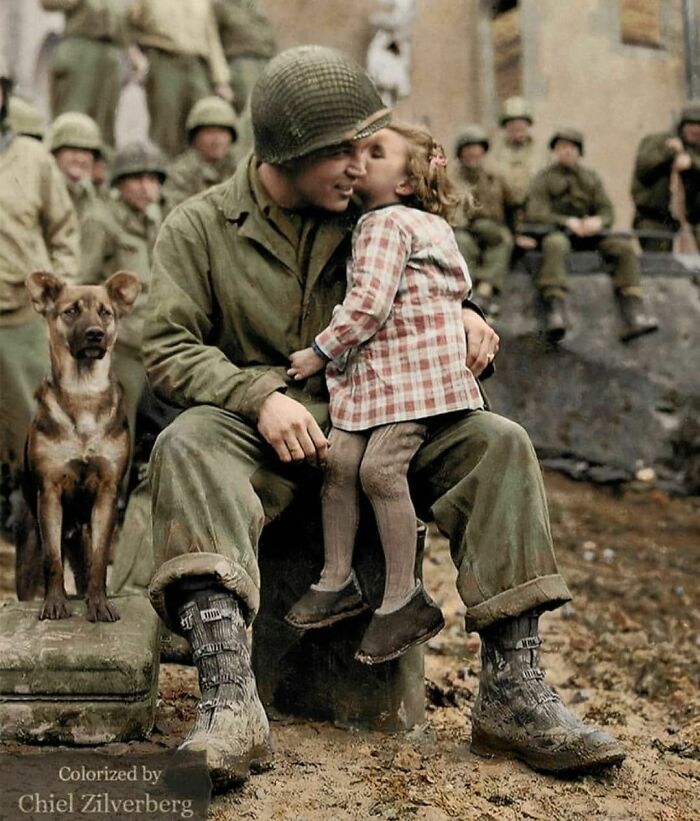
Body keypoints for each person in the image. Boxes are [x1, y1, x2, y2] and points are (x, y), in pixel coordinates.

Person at [142, 45, 624, 789]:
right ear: (288, 156)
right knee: (185, 442)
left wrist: (466, 315)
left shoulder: (373, 214)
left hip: (379, 417)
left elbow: (430, 271)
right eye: (342, 151)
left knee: (497, 443)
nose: (358, 165)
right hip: (260, 431)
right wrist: (256, 397)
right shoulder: (199, 227)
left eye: (368, 149)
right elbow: (167, 345)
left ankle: (513, 694)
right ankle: (228, 702)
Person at [283, 122, 481, 664]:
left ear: (407, 181)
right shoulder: (420, 222)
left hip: (412, 380)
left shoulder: (386, 224)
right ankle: (337, 578)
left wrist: (318, 352)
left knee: (378, 471)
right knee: (339, 461)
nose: (359, 160)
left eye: (375, 153)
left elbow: (368, 306)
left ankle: (403, 599)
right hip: (381, 380)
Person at [0, 56, 80, 520]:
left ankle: (35, 528)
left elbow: (64, 229)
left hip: (24, 322)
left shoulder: (33, 160)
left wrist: (59, 291)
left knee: (35, 432)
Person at [526, 127, 659, 343]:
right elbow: (536, 212)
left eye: (571, 148)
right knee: (554, 245)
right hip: (559, 232)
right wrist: (566, 222)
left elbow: (607, 210)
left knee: (622, 248)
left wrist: (597, 222)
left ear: (579, 152)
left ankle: (634, 310)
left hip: (589, 235)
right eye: (561, 148)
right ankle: (555, 310)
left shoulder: (590, 178)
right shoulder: (544, 178)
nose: (566, 152)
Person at [81, 141, 167, 449]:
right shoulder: (101, 220)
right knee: (117, 429)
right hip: (121, 347)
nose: (147, 188)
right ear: (119, 182)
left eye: (154, 179)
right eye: (138, 179)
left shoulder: (153, 220)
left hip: (153, 342)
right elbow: (84, 284)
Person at [128, 0, 233, 157]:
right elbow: (128, 24)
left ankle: (199, 176)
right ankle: (165, 174)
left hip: (196, 64)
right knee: (166, 127)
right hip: (163, 58)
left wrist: (221, 80)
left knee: (203, 120)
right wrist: (134, 54)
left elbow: (211, 37)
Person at [40, 0, 130, 146]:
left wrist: (131, 50)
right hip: (80, 48)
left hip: (110, 53)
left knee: (104, 130)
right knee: (73, 123)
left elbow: (122, 19)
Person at [451, 124, 516, 312]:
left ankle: (485, 290)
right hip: (462, 228)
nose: (473, 153)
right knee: (462, 244)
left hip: (491, 228)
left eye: (477, 149)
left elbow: (512, 205)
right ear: (461, 153)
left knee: (503, 240)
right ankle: (467, 294)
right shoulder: (452, 178)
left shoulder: (495, 178)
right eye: (468, 149)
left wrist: (516, 231)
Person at [631, 101, 700, 252]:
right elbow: (643, 167)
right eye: (691, 124)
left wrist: (692, 163)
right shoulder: (657, 141)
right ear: (682, 125)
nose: (696, 129)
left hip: (695, 218)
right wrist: (668, 152)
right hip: (655, 216)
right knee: (660, 264)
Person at [162, 96, 239, 212]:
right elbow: (177, 214)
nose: (217, 139)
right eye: (210, 132)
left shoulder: (239, 168)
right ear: (195, 137)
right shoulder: (181, 174)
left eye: (222, 132)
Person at [489, 96, 545, 219]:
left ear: (528, 124)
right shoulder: (493, 153)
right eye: (511, 123)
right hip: (502, 214)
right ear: (505, 126)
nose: (516, 127)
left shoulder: (541, 152)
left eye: (521, 122)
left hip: (534, 213)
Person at [47, 111, 106, 223]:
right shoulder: (43, 192)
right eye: (73, 150)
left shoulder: (96, 197)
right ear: (55, 153)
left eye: (86, 151)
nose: (80, 159)